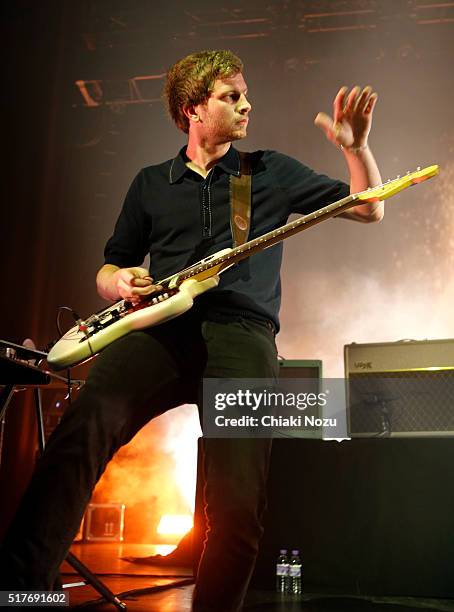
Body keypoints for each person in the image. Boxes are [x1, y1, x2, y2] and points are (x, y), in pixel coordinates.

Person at [0, 50, 383, 611]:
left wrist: (356, 149)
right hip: (158, 331)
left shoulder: (267, 171)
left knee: (236, 503)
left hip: (243, 332)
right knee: (77, 433)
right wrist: (118, 282)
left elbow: (370, 208)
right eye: (231, 96)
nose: (246, 103)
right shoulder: (151, 183)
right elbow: (110, 266)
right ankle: (23, 594)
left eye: (245, 93)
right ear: (193, 109)